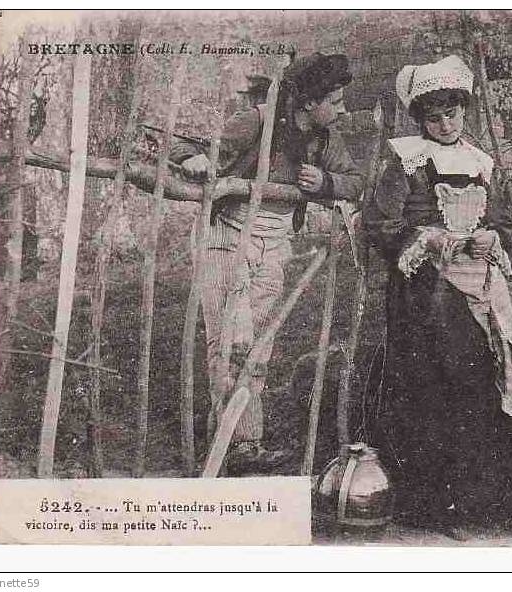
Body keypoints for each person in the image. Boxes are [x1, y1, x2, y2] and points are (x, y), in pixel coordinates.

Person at [363, 55, 512, 536]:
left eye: (452, 113)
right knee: (433, 390)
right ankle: (438, 509)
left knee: (482, 384)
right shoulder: (405, 161)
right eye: (434, 116)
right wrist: (428, 238)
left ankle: (488, 504)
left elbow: (503, 221)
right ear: (419, 119)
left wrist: (492, 238)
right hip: (424, 292)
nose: (444, 124)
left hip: (478, 284)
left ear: (465, 113)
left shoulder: (482, 162)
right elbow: (380, 225)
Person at [170, 53, 363, 476]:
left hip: (275, 242)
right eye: (336, 99)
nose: (343, 108)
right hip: (227, 236)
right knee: (229, 342)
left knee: (259, 344)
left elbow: (356, 181)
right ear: (309, 102)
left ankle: (246, 445)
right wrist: (193, 161)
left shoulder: (326, 138)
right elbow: (188, 147)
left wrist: (326, 183)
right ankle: (227, 445)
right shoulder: (257, 120)